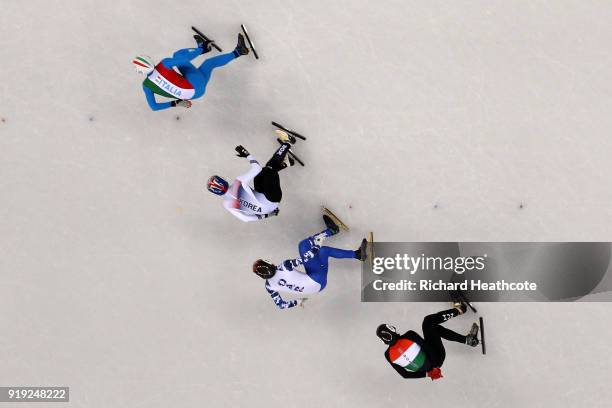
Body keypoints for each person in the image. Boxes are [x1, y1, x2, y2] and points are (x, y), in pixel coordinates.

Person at [252, 215, 368, 309]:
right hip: (316, 279)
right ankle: (332, 232)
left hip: (315, 287)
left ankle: (356, 253)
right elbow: (306, 258)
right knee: (306, 246)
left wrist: (299, 301)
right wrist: (317, 245)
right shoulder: (284, 267)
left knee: (323, 252)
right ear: (269, 263)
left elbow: (281, 305)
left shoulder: (269, 286)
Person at [132, 32, 248, 111]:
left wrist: (176, 103)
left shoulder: (146, 86)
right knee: (177, 55)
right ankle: (203, 47)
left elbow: (154, 107)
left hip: (196, 94)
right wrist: (200, 50)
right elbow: (185, 59)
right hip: (194, 83)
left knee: (209, 64)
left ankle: (239, 51)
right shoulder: (164, 63)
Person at [376, 296, 480, 380]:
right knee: (428, 322)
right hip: (436, 357)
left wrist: (429, 373)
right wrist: (434, 364)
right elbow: (427, 347)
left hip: (433, 365)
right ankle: (460, 309)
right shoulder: (409, 335)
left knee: (434, 329)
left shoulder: (388, 355)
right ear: (392, 329)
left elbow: (405, 375)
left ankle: (468, 340)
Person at [206, 131, 298, 222]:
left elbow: (246, 219)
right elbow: (256, 168)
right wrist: (247, 155)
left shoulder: (227, 204)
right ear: (223, 180)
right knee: (268, 168)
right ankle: (288, 142)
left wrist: (269, 214)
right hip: (272, 197)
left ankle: (286, 163)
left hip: (267, 207)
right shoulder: (237, 183)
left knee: (259, 176)